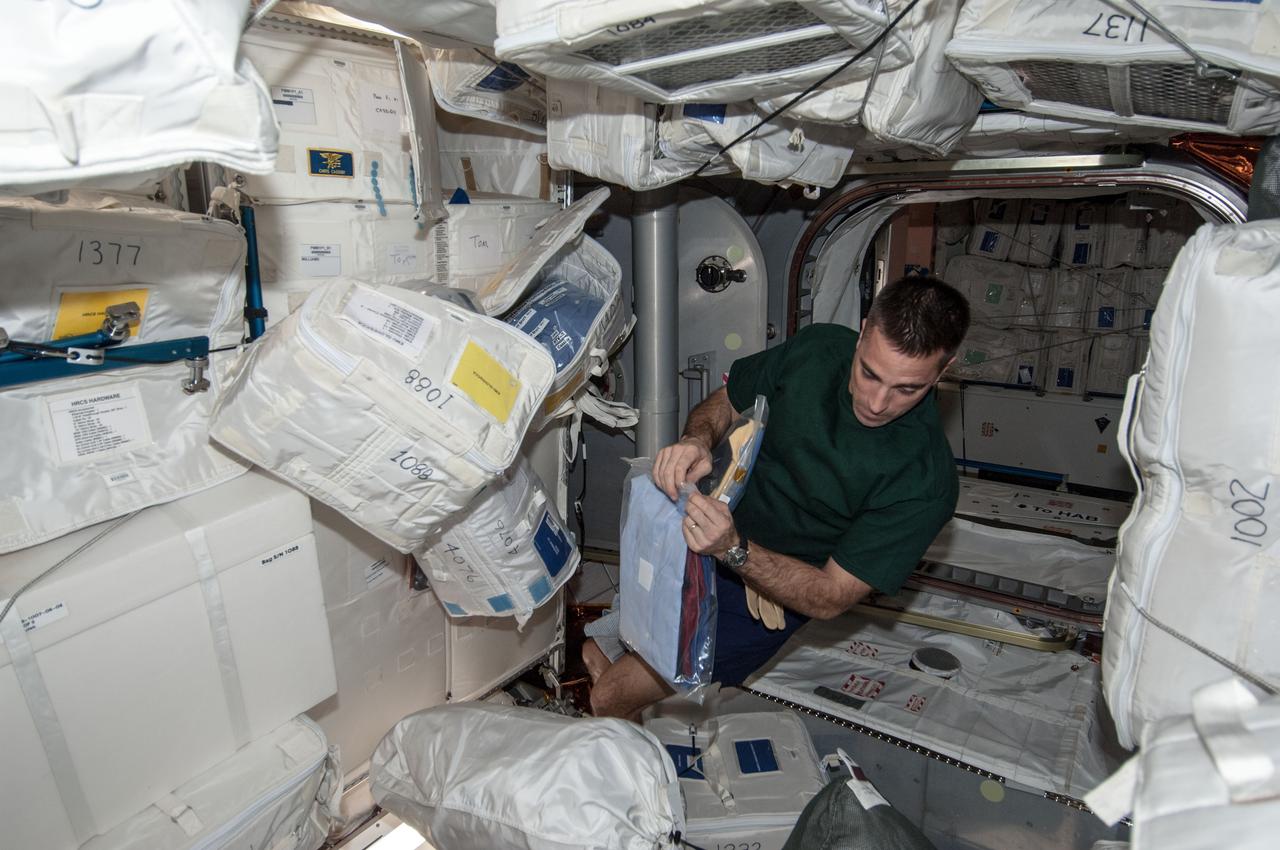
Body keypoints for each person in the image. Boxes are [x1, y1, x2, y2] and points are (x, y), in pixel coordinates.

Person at [586, 276, 971, 720]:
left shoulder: (925, 481)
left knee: (609, 696)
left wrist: (733, 549)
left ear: (944, 370)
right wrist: (696, 440)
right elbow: (730, 399)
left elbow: (830, 596)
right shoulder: (819, 350)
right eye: (869, 372)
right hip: (702, 531)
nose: (878, 402)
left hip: (768, 591)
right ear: (863, 331)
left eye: (907, 388)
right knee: (605, 644)